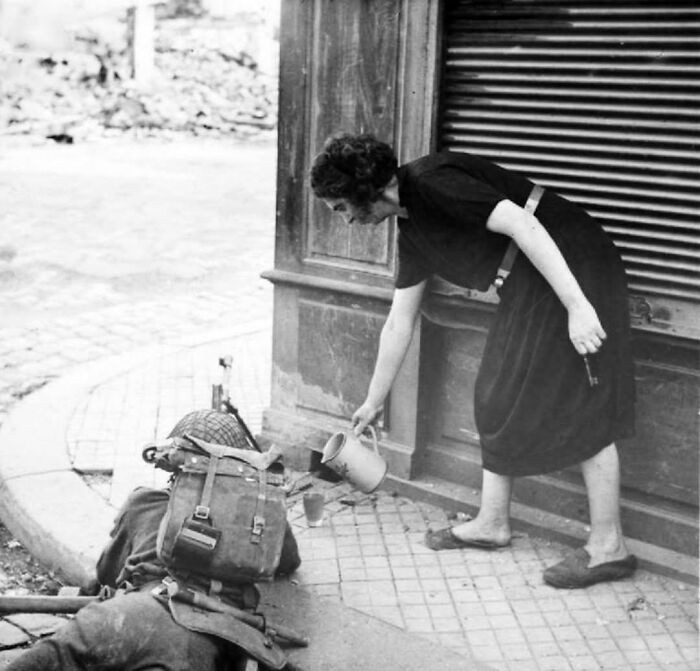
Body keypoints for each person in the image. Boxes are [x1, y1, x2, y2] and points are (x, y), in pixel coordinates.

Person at [310, 134, 637, 589]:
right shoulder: (413, 230)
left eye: (340, 208)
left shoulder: (432, 182)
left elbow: (526, 226)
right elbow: (398, 322)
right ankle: (492, 523)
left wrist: (578, 307)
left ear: (365, 191)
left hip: (571, 260)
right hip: (529, 279)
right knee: (493, 391)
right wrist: (373, 400)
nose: (344, 221)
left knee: (578, 399)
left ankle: (609, 546)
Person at [7, 409, 301, 670]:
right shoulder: (252, 524)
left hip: (131, 615)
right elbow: (288, 560)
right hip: (213, 635)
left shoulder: (144, 502)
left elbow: (106, 574)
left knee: (48, 658)